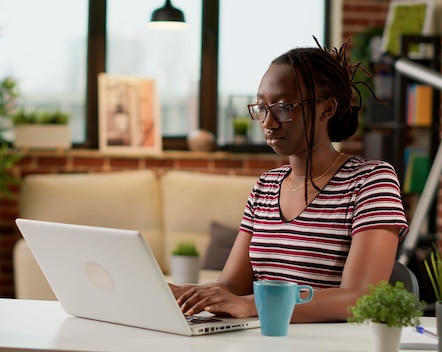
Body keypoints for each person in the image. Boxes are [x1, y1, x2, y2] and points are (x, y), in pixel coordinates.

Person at [170, 37, 409, 323]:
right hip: (264, 339)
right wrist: (185, 293)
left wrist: (251, 306)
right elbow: (232, 286)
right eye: (261, 108)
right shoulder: (266, 186)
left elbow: (360, 297)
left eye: (283, 107)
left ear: (327, 109)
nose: (268, 123)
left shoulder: (370, 181)